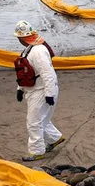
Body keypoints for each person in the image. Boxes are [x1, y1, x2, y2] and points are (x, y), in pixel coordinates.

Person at [13, 20, 65, 161]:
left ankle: (36, 151)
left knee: (33, 122)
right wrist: (20, 89)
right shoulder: (29, 49)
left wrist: (49, 94)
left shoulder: (38, 51)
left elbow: (47, 73)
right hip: (35, 89)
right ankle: (55, 138)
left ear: (22, 37)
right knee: (43, 119)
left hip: (41, 90)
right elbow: (24, 72)